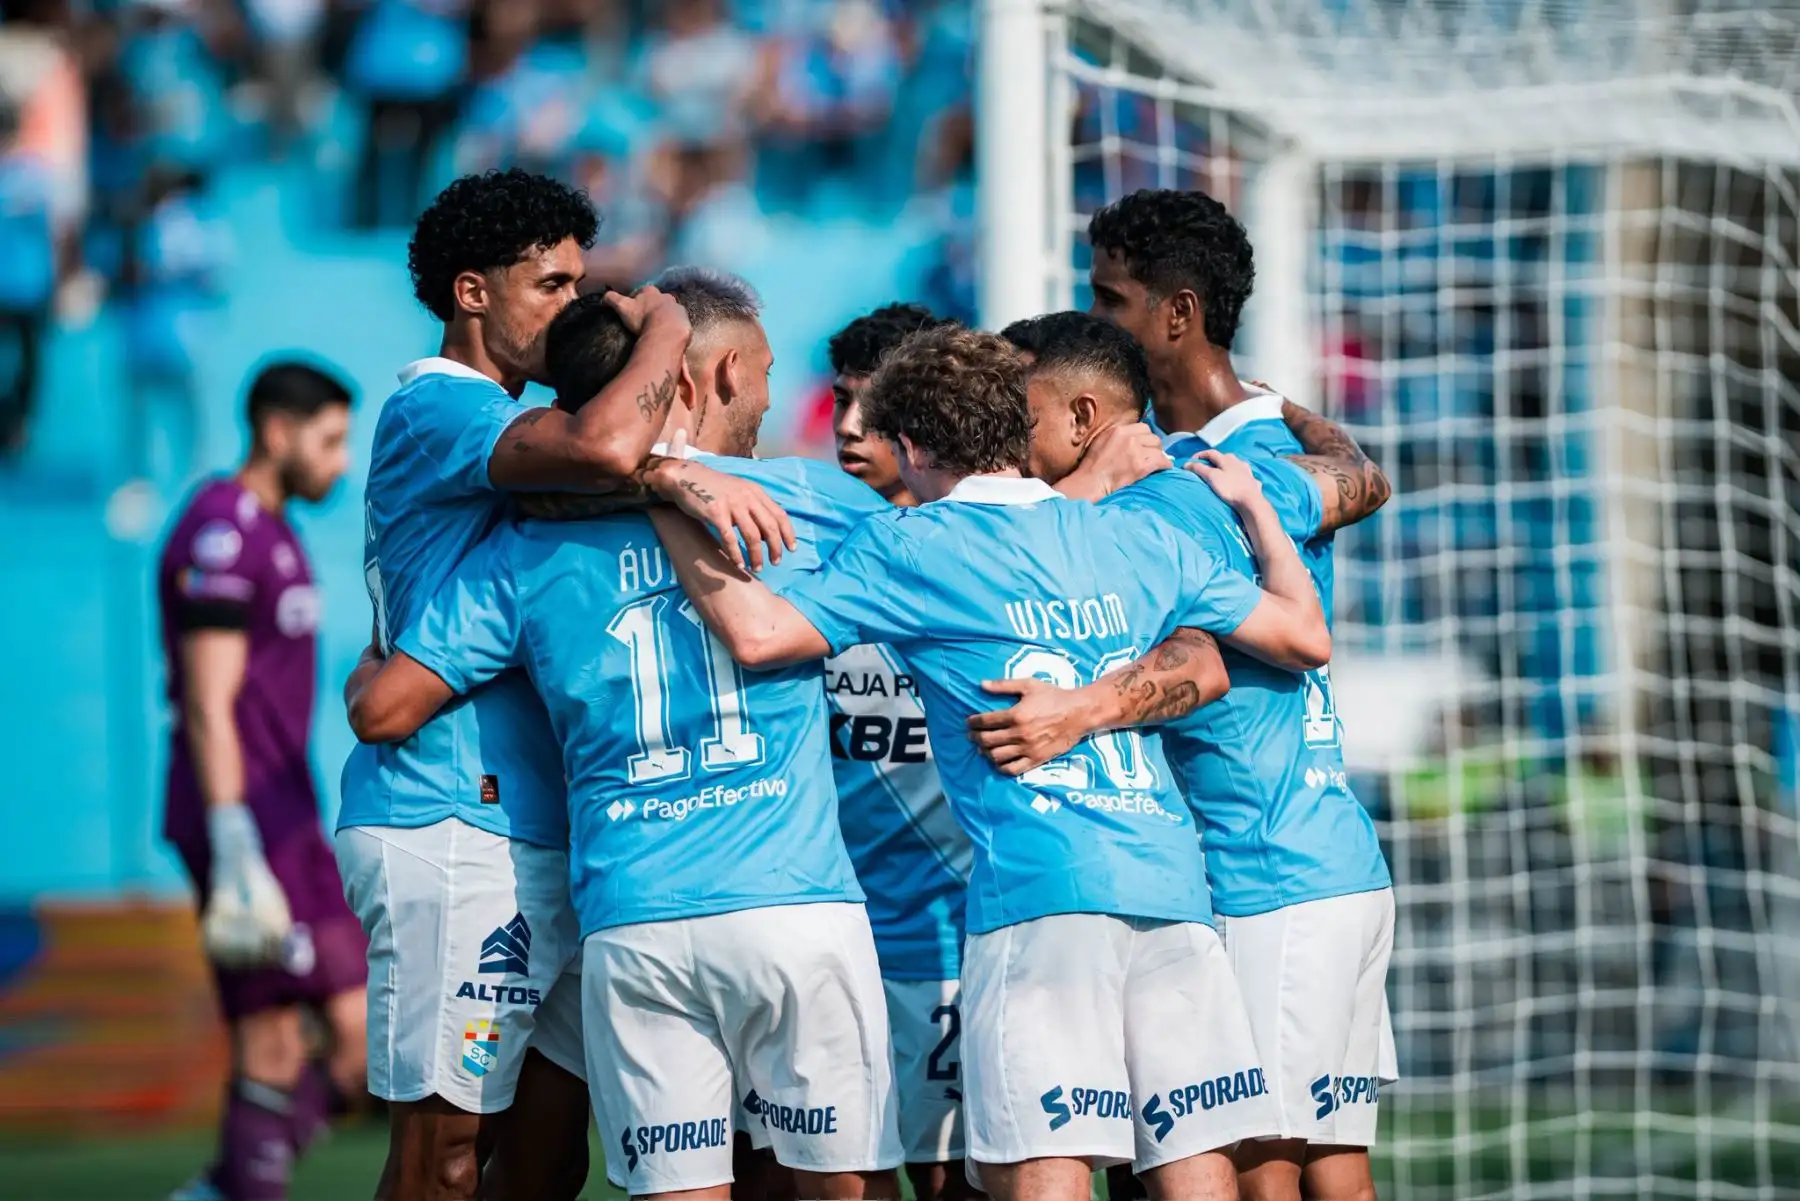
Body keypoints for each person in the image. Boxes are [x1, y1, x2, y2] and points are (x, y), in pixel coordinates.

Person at [648, 325, 1336, 1201]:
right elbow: (1302, 634)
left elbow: (757, 632)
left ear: (913, 445)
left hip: (1040, 899)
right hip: (1173, 890)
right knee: (1194, 1170)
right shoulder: (1128, 535)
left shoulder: (914, 544)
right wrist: (1263, 518)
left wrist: (663, 493)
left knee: (1042, 1171)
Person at [345, 274, 907, 1201]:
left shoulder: (522, 546)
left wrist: (364, 672)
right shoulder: (811, 503)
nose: (769, 395)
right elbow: (963, 534)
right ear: (720, 373)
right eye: (763, 371)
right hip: (792, 901)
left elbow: (385, 708)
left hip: (635, 919)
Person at [1084, 188, 1398, 1201]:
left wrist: (1077, 708)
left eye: (1111, 299)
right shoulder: (1272, 448)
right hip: (1325, 852)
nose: (1095, 322)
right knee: (1329, 1165)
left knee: (1258, 1169)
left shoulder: (1216, 474)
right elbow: (1364, 474)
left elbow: (1203, 659)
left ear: (1176, 313)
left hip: (1265, 870)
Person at [155, 361, 365, 1201]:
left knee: (361, 1041)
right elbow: (209, 701)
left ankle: (216, 1191)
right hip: (244, 816)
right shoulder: (222, 530)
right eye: (330, 440)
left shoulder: (277, 529)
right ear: (278, 432)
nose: (341, 462)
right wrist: (233, 834)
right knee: (270, 1042)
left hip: (290, 815)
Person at [824, 303, 977, 1201]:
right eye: (840, 398)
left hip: (956, 937)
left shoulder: (994, 547)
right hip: (827, 930)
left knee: (961, 1179)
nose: (848, 426)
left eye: (871, 406)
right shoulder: (794, 534)